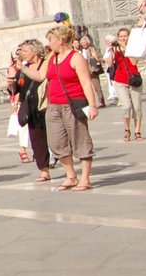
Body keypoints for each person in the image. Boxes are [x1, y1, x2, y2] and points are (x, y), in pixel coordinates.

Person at [16, 23, 97, 191]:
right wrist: (22, 68)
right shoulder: (51, 58)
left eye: (51, 40)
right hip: (54, 106)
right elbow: (40, 76)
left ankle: (85, 179)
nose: (48, 43)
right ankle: (71, 176)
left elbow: (86, 82)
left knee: (80, 141)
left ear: (61, 40)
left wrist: (92, 105)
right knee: (56, 143)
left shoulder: (76, 57)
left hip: (72, 104)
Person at [9, 40, 53, 182]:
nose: (23, 54)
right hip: (32, 107)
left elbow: (43, 78)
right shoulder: (23, 68)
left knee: (56, 137)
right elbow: (17, 88)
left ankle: (61, 160)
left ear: (35, 51)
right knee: (37, 139)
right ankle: (44, 170)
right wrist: (13, 88)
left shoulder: (45, 63)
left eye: (25, 51)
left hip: (47, 105)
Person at [108, 29, 144, 141]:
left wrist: (126, 47)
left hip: (134, 79)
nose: (123, 38)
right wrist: (111, 51)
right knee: (126, 106)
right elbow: (109, 64)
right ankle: (127, 129)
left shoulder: (134, 47)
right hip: (120, 80)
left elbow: (134, 62)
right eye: (121, 37)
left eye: (125, 36)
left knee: (137, 107)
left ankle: (137, 131)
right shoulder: (115, 49)